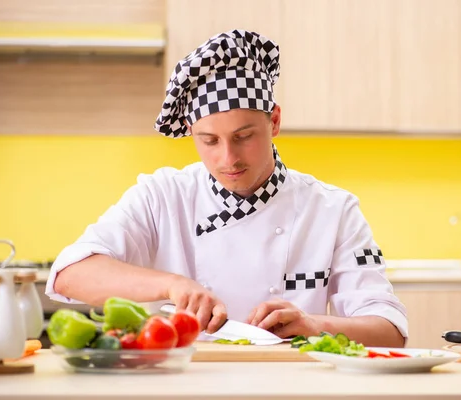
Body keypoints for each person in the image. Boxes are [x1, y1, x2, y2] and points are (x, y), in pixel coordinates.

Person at [45, 29, 408, 347]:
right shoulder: (162, 196)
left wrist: (314, 324)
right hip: (184, 384)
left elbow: (390, 329)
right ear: (191, 132)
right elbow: (69, 275)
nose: (227, 158)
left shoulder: (333, 210)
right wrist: (172, 285)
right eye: (209, 140)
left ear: (275, 121)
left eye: (244, 136)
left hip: (290, 386)